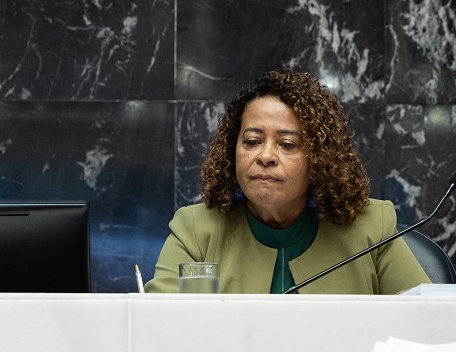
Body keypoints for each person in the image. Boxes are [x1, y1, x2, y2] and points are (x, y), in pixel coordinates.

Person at [147, 69, 428, 294]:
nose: (265, 156)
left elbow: (431, 324)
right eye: (252, 141)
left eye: (288, 144)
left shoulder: (371, 229)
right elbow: (156, 334)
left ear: (320, 158)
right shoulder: (196, 231)